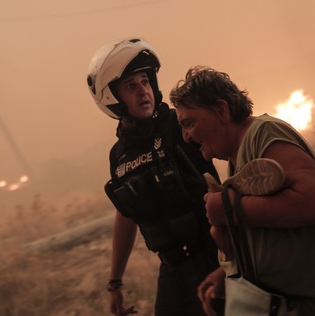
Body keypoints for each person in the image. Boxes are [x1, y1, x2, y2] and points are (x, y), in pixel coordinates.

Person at [169, 66, 315, 316]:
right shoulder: (239, 156)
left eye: (189, 123)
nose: (186, 137)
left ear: (221, 110)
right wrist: (228, 272)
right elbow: (274, 230)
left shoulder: (263, 133)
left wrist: (228, 208)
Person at [86, 38, 221, 316]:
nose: (143, 91)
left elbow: (231, 145)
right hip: (171, 271)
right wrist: (115, 283)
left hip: (215, 258)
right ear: (111, 97)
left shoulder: (178, 125)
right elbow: (126, 216)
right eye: (131, 85)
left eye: (145, 81)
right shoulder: (119, 156)